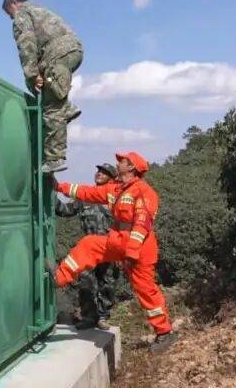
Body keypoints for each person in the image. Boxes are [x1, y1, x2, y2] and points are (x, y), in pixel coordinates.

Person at [53, 151, 178, 353]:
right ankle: (58, 278)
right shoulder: (117, 189)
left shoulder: (143, 191)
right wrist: (59, 186)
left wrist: (131, 253)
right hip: (119, 241)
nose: (118, 163)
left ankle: (164, 332)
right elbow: (87, 192)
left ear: (132, 168)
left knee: (146, 290)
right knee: (89, 244)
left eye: (122, 161)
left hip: (139, 249)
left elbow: (142, 223)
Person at [1, 0, 82, 173]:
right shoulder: (38, 9)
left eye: (8, 13)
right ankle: (68, 108)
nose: (11, 18)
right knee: (53, 93)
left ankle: (55, 158)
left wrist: (31, 74)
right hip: (72, 51)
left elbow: (26, 43)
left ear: (14, 3)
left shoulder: (22, 13)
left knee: (51, 108)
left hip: (56, 55)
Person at [55, 163, 123, 330]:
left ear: (112, 178)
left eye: (104, 172)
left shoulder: (115, 198)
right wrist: (51, 195)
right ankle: (89, 317)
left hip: (109, 248)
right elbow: (65, 210)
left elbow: (124, 223)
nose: (99, 173)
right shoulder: (85, 197)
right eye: (98, 171)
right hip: (88, 251)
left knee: (107, 284)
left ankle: (102, 317)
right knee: (85, 283)